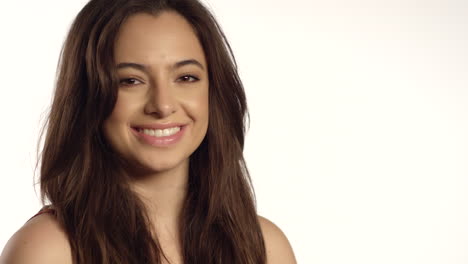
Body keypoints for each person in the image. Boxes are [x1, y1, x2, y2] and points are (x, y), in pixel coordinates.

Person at [0, 0, 296, 263]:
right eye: (130, 80)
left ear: (213, 92)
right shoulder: (47, 251)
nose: (163, 105)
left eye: (186, 77)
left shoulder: (265, 248)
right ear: (88, 97)